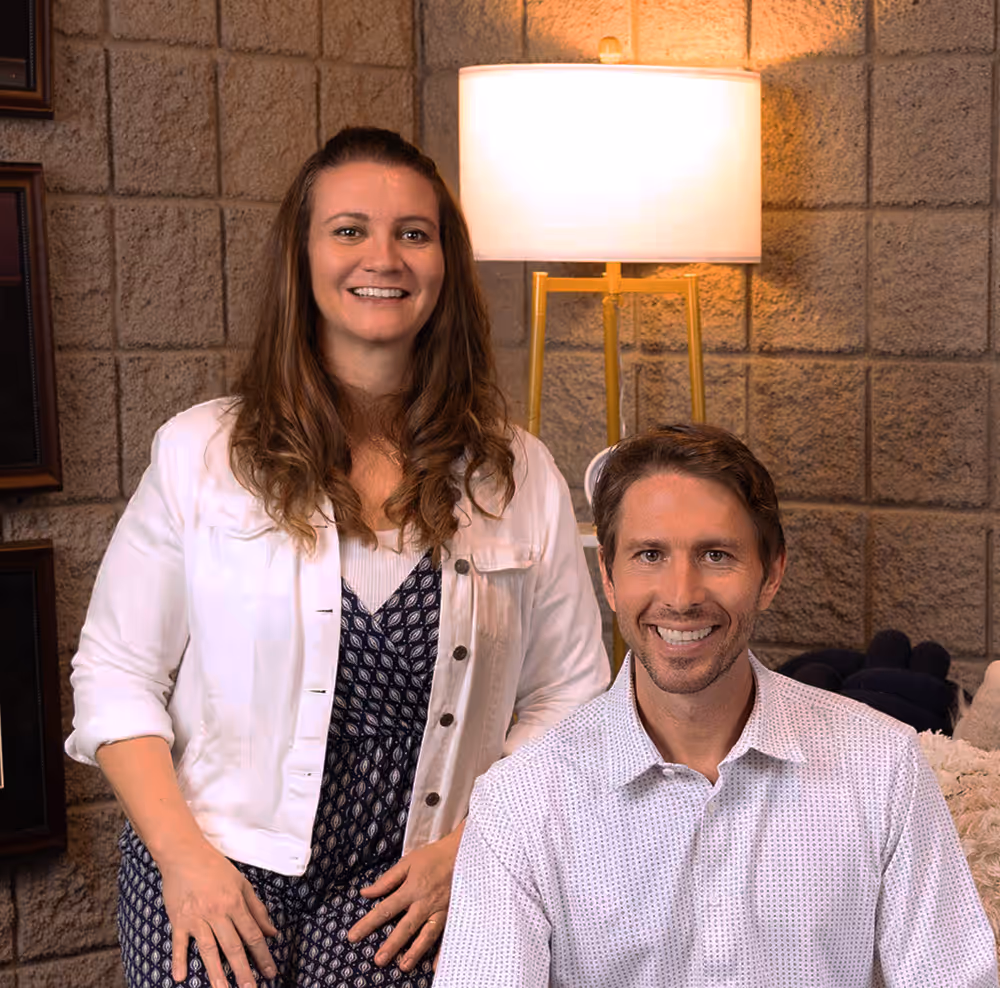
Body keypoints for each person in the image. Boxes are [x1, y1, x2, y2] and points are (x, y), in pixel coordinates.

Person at [65, 127, 609, 988]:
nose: (382, 257)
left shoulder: (519, 472)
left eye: (413, 234)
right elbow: (114, 675)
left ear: (444, 264)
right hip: (216, 853)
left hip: (413, 879)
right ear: (304, 256)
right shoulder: (201, 452)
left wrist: (474, 850)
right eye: (349, 229)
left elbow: (570, 701)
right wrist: (185, 861)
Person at [434, 424, 998, 988]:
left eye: (716, 554)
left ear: (771, 573)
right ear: (608, 576)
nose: (681, 596)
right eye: (649, 554)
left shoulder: (884, 767)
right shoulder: (520, 802)